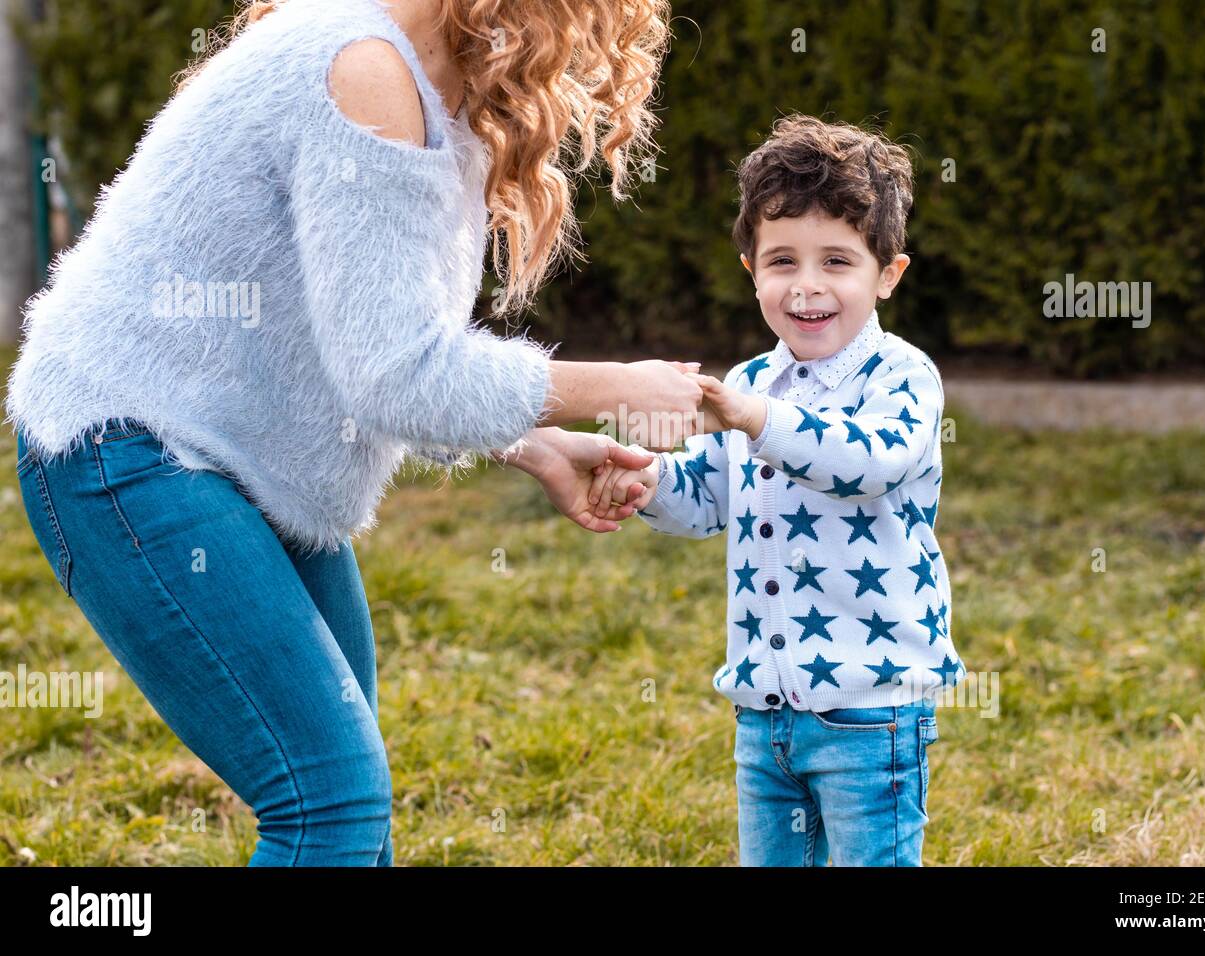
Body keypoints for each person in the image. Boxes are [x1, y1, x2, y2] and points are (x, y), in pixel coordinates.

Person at [6, 0, 693, 866]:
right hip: (126, 451)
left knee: (344, 805)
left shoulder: (429, 89)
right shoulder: (360, 68)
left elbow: (359, 347)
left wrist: (537, 446)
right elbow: (400, 376)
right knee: (326, 803)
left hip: (241, 460)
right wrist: (621, 385)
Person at [588, 114, 965, 865]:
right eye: (783, 261)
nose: (808, 287)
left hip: (871, 710)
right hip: (765, 714)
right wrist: (647, 480)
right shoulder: (753, 381)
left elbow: (870, 462)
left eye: (837, 261)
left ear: (887, 274)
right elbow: (709, 498)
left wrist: (756, 417)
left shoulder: (901, 378)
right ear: (750, 271)